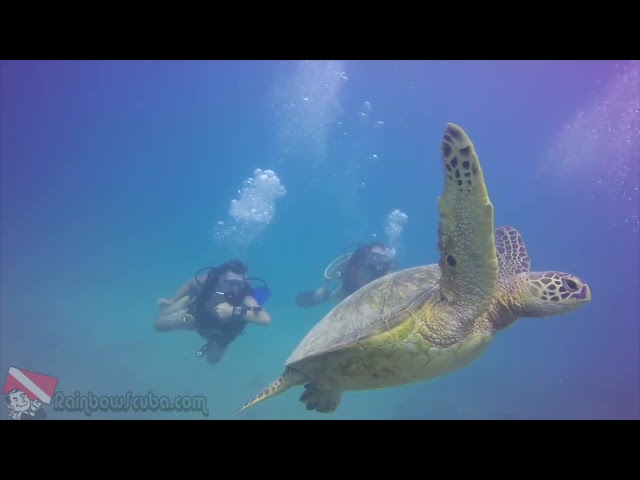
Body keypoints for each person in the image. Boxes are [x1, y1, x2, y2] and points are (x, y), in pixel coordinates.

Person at [154, 260, 271, 364]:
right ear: (221, 279)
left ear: (244, 282)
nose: (235, 288)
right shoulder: (210, 281)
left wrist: (233, 311)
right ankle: (188, 301)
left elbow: (265, 319)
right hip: (197, 317)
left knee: (212, 360)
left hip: (222, 331)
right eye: (231, 282)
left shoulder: (245, 295)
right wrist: (172, 300)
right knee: (158, 325)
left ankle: (210, 338)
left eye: (239, 283)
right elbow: (191, 283)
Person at [295, 242, 396, 308]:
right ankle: (313, 297)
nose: (375, 258)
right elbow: (335, 269)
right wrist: (323, 287)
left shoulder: (384, 268)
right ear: (368, 252)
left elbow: (391, 284)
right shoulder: (355, 259)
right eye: (373, 254)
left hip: (369, 296)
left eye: (379, 256)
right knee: (332, 297)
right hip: (346, 291)